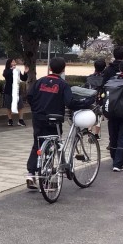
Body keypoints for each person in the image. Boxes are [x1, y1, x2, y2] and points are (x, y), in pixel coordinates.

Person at [25, 57, 94, 189]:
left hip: (38, 118)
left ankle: (31, 173)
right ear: (63, 69)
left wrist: (36, 109)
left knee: (38, 144)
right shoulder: (63, 85)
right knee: (53, 145)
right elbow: (70, 102)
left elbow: (29, 96)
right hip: (54, 119)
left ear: (50, 68)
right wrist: (86, 102)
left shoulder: (40, 81)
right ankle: (48, 176)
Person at [2, 58, 29, 127]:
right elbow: (5, 75)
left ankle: (20, 120)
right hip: (8, 91)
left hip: (17, 91)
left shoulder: (17, 70)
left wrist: (25, 72)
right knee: (9, 106)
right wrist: (12, 70)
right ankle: (10, 120)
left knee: (20, 106)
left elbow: (23, 78)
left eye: (15, 62)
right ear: (9, 63)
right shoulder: (6, 70)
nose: (14, 63)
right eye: (13, 62)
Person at [84, 58, 106, 139]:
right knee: (99, 116)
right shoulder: (104, 79)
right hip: (100, 99)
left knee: (90, 114)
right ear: (104, 67)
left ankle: (89, 131)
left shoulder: (89, 77)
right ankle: (96, 134)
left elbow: (86, 88)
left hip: (90, 99)